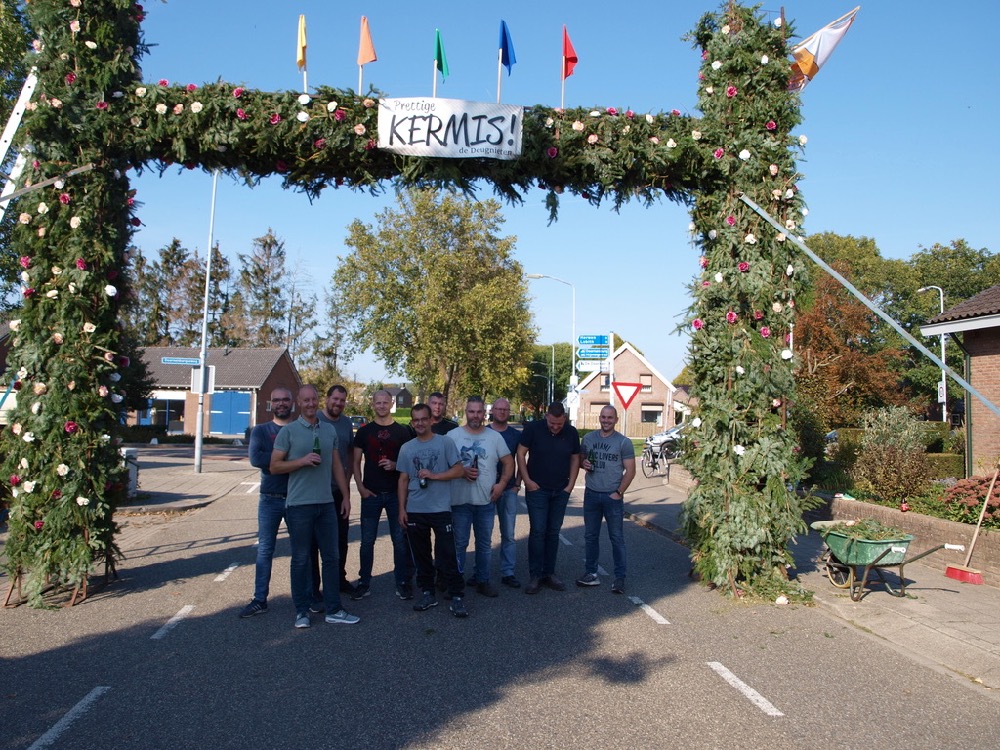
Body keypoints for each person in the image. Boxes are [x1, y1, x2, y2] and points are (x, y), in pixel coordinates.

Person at [270, 385, 359, 629]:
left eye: (314, 400)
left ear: (318, 401)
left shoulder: (329, 430)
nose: (310, 403)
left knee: (332, 558)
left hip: (327, 505)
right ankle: (301, 611)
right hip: (299, 506)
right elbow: (274, 466)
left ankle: (334, 609)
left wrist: (346, 496)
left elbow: (337, 467)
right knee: (300, 559)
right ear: (299, 402)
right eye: (306, 400)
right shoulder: (288, 432)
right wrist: (301, 461)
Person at [397, 403, 468, 617]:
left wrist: (434, 476)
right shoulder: (407, 448)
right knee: (421, 556)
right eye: (415, 420)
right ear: (412, 422)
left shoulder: (444, 443)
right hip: (416, 509)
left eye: (423, 419)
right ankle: (427, 593)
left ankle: (457, 596)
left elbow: (459, 470)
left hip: (440, 509)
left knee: (447, 554)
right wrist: (402, 508)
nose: (419, 423)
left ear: (430, 420)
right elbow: (402, 479)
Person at [351, 389, 415, 600]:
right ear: (373, 404)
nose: (381, 406)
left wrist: (395, 464)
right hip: (371, 494)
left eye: (385, 402)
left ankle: (402, 581)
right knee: (367, 541)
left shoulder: (403, 432)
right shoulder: (364, 432)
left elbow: (409, 463)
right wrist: (360, 487)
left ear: (391, 403)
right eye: (378, 402)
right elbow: (355, 462)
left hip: (396, 494)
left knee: (399, 540)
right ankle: (364, 582)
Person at [449, 396, 514, 598]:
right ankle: (456, 583)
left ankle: (482, 580)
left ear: (484, 414)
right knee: (459, 544)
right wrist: (461, 471)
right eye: (471, 411)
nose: (475, 416)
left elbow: (509, 462)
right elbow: (443, 466)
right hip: (460, 501)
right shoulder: (453, 436)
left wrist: (501, 485)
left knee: (484, 544)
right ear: (465, 412)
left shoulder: (494, 437)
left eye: (479, 412)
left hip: (486, 500)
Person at [238, 387, 293, 618]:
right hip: (270, 500)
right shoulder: (260, 430)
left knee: (302, 551)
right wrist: (287, 461)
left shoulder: (299, 429)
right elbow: (255, 459)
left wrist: (275, 462)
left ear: (292, 403)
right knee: (265, 550)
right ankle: (260, 599)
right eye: (277, 400)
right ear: (271, 404)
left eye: (285, 400)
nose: (281, 403)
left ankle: (305, 596)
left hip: (296, 499)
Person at [516, 401, 580, 595]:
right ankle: (535, 575)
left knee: (553, 532)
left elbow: (575, 458)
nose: (555, 427)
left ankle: (549, 573)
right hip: (538, 490)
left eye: (559, 424)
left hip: (560, 490)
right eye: (552, 423)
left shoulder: (571, 432)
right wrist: (527, 480)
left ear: (565, 419)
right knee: (538, 531)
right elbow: (520, 453)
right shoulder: (533, 429)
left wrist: (570, 486)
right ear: (547, 416)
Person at [576, 405, 636, 594]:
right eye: (603, 417)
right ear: (599, 418)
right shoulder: (588, 438)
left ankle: (619, 578)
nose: (606, 420)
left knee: (616, 538)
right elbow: (580, 460)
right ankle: (591, 573)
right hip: (592, 493)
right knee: (591, 536)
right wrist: (583, 463)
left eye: (610, 417)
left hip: (612, 496)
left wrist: (618, 492)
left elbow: (631, 471)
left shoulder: (623, 442)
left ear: (616, 420)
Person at [318, 384, 355, 595]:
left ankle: (339, 579)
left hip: (338, 490)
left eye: (342, 400)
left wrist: (347, 487)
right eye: (335, 399)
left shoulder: (346, 423)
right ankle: (316, 586)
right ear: (327, 398)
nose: (338, 403)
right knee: (317, 541)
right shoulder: (315, 419)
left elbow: (349, 453)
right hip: (318, 490)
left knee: (341, 538)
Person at [489, 397, 522, 588]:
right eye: (498, 409)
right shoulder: (484, 431)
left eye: (505, 409)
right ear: (492, 410)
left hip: (508, 489)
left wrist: (517, 484)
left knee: (508, 533)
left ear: (509, 412)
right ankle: (480, 571)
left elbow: (521, 459)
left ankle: (508, 572)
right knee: (483, 533)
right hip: (485, 489)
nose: (502, 412)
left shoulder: (515, 435)